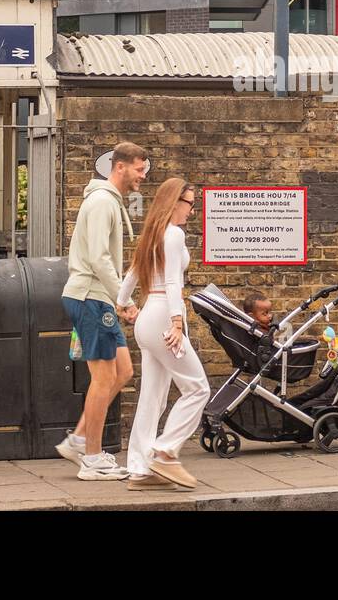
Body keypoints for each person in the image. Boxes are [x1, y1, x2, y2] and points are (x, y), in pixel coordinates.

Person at [56, 142, 148, 480]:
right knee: (105, 377)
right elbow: (98, 258)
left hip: (98, 299)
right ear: (120, 166)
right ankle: (92, 459)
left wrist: (116, 300)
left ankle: (80, 439)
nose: (142, 176)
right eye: (139, 169)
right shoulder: (100, 203)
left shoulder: (108, 202)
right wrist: (122, 299)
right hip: (90, 298)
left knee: (122, 370)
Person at [115, 178, 210, 491]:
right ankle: (166, 452)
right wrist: (177, 322)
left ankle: (140, 470)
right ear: (173, 202)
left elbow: (127, 282)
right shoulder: (173, 233)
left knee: (152, 399)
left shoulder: (152, 235)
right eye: (189, 204)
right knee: (197, 388)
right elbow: (172, 282)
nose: (192, 211)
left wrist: (125, 306)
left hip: (147, 317)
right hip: (164, 318)